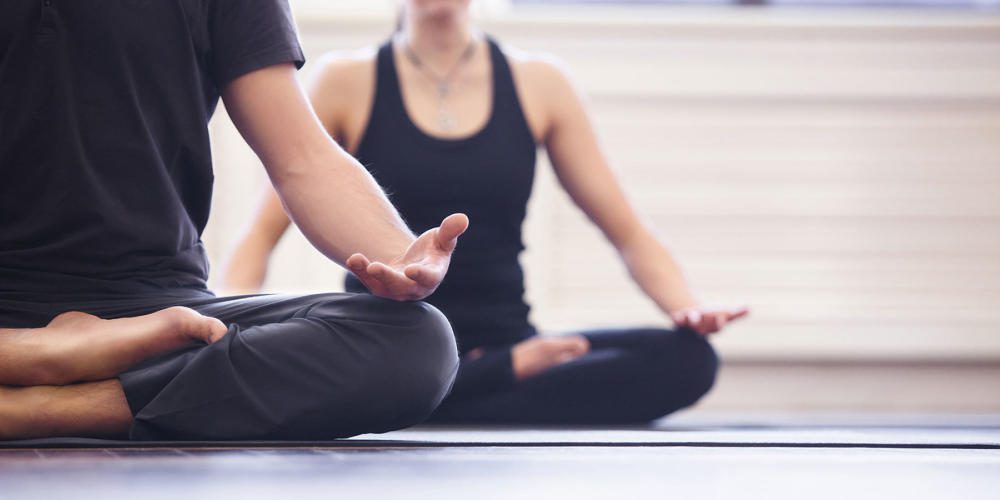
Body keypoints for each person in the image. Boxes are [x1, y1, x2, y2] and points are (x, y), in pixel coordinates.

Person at [222, 0, 749, 425]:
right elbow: (260, 237)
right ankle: (482, 383)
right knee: (380, 372)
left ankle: (448, 397)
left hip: (508, 339)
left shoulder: (540, 82)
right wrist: (228, 341)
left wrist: (687, 310)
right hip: (391, 348)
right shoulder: (346, 79)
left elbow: (627, 231)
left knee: (689, 361)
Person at [0, 0, 470, 441]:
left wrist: (398, 255)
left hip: (157, 319)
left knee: (414, 344)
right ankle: (42, 354)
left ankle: (27, 407)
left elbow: (302, 158)